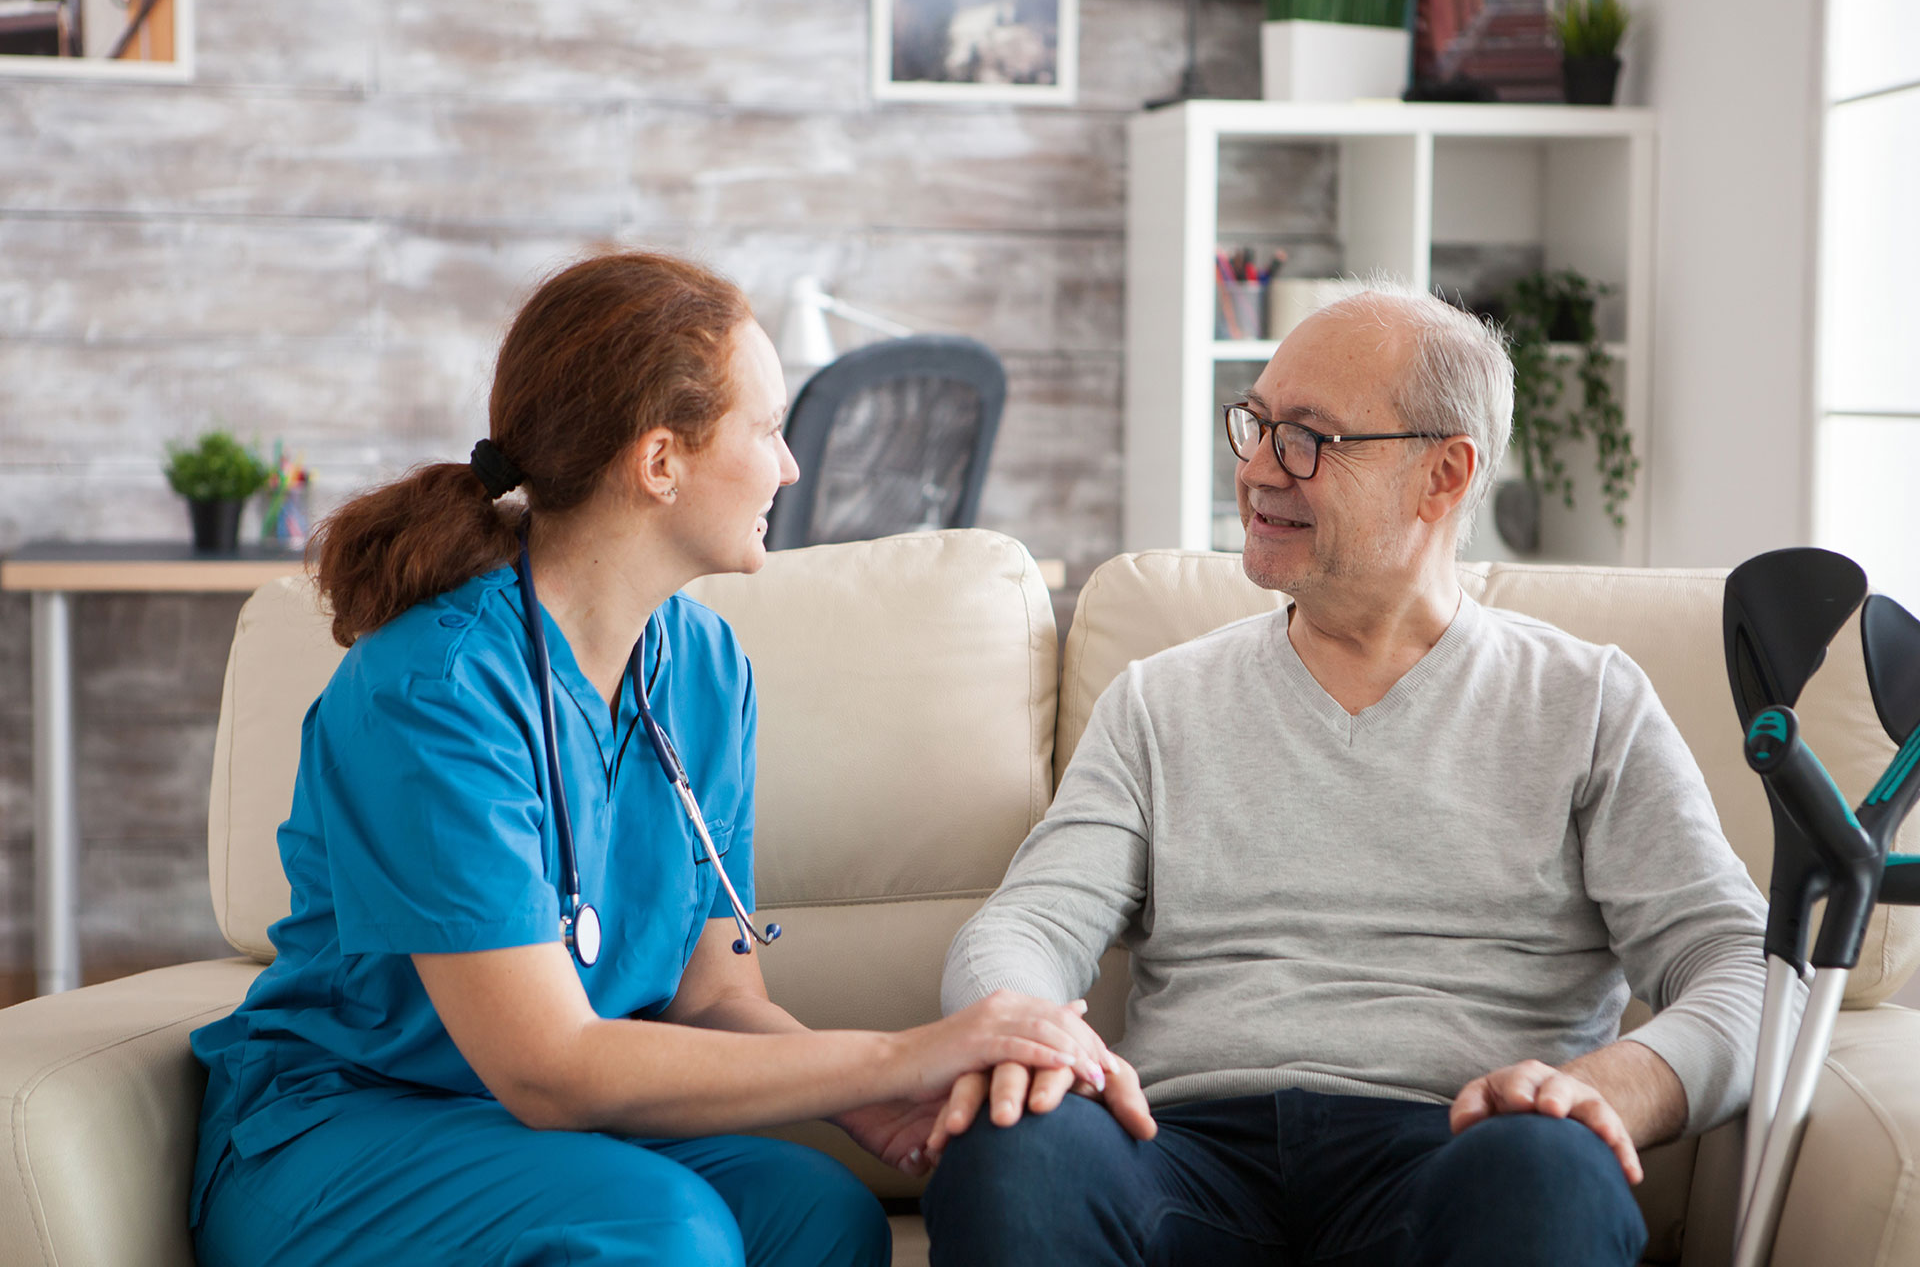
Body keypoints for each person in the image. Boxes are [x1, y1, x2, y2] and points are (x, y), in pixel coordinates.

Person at [187, 251, 1116, 1267]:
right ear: (660, 460)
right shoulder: (433, 689)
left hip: (553, 1134)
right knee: (661, 1230)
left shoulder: (705, 669)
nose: (790, 467)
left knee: (819, 1214)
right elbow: (548, 1064)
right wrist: (899, 1050)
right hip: (349, 1129)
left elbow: (714, 997)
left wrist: (866, 1095)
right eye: (767, 431)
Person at [919, 285, 1772, 1267]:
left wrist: (1617, 1081)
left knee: (1551, 1169)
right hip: (1185, 1151)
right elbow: (1025, 924)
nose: (1254, 470)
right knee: (1011, 1148)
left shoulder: (1587, 703)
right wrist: (1023, 1021)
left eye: (1306, 438)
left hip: (1462, 1147)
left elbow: (1744, 965)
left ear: (1441, 474)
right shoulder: (1162, 699)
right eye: (1256, 425)